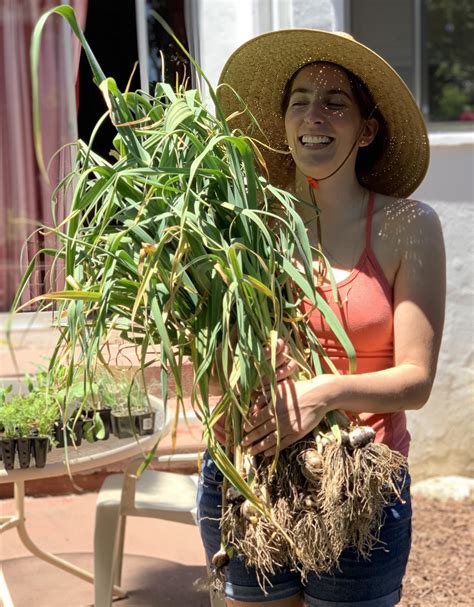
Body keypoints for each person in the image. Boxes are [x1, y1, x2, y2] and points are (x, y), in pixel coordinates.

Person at [197, 29, 446, 607]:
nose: (315, 114)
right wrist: (239, 370)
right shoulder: (244, 221)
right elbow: (205, 369)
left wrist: (321, 394)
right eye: (300, 100)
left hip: (357, 479)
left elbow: (417, 380)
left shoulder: (408, 225)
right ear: (283, 124)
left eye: (336, 102)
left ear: (367, 129)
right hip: (248, 475)